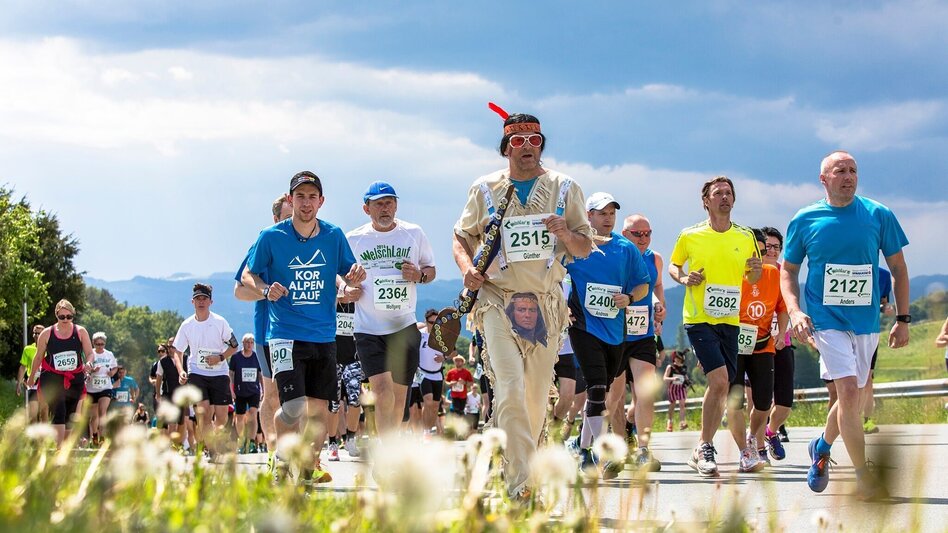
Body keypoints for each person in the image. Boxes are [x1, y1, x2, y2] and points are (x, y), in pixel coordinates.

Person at [453, 107, 593, 498]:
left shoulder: (566, 188)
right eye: (518, 141)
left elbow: (583, 248)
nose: (527, 147)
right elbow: (461, 237)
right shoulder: (483, 188)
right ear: (505, 148)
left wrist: (566, 232)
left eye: (534, 140)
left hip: (546, 303)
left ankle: (514, 467)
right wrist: (467, 268)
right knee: (510, 388)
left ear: (542, 144)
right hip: (497, 300)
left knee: (533, 398)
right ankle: (521, 486)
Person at [782, 150, 910, 501]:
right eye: (840, 170)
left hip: (866, 321)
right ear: (824, 179)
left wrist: (902, 318)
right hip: (826, 320)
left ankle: (821, 446)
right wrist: (795, 311)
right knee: (849, 393)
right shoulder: (806, 219)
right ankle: (864, 476)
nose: (849, 176)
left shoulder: (878, 214)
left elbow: (898, 269)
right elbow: (788, 272)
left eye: (853, 170)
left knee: (853, 397)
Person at [243, 171, 364, 484]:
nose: (306, 203)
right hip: (284, 334)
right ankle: (282, 462)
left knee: (321, 411)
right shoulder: (271, 237)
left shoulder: (334, 235)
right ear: (289, 199)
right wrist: (265, 287)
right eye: (300, 196)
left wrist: (354, 278)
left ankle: (308, 467)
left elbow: (347, 273)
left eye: (312, 197)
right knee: (294, 406)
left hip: (323, 335)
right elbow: (248, 276)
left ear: (321, 201)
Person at [669, 176, 762, 477]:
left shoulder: (746, 236)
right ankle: (707, 446)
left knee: (720, 385)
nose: (724, 197)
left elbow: (753, 277)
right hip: (698, 319)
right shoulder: (690, 235)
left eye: (729, 193)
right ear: (706, 201)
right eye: (718, 193)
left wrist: (757, 272)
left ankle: (701, 447)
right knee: (721, 382)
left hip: (730, 320)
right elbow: (674, 265)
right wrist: (683, 279)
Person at [566, 192, 650, 478]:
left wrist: (629, 297)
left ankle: (580, 444)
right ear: (588, 215)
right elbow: (552, 276)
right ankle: (592, 454)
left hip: (616, 333)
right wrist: (562, 306)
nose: (608, 218)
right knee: (597, 388)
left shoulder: (626, 248)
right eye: (602, 213)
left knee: (606, 391)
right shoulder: (576, 247)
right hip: (583, 327)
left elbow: (643, 285)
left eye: (612, 213)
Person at [344, 180, 436, 442]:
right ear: (366, 209)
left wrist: (419, 274)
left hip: (403, 327)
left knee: (398, 400)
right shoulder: (353, 239)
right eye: (379, 204)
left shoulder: (414, 233)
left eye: (389, 203)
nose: (385, 208)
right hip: (368, 329)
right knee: (382, 392)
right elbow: (340, 279)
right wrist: (348, 288)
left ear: (396, 205)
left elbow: (431, 271)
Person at [233, 194, 294, 454]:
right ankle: (273, 451)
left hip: (307, 331)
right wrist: (268, 291)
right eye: (288, 216)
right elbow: (239, 290)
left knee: (304, 398)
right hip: (269, 332)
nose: (295, 221)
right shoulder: (264, 242)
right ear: (276, 218)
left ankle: (301, 454)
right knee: (273, 394)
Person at [728, 228, 788, 472]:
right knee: (735, 401)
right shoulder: (732, 274)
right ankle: (745, 450)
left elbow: (782, 308)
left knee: (763, 401)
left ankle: (754, 437)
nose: (761, 258)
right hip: (733, 345)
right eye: (755, 253)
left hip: (763, 345)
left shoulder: (773, 273)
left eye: (764, 252)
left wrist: (781, 332)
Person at [619, 212, 667, 471]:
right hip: (614, 334)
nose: (644, 238)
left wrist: (660, 305)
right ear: (624, 234)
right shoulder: (615, 254)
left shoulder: (655, 258)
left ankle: (644, 449)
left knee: (644, 393)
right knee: (615, 395)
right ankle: (616, 440)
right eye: (638, 234)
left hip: (643, 334)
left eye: (648, 233)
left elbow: (657, 286)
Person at [172, 283, 239, 452]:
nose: (201, 302)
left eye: (204, 298)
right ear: (192, 302)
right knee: (203, 413)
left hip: (220, 373)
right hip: (197, 373)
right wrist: (181, 371)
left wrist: (220, 357)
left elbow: (234, 346)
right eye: (197, 299)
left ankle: (215, 440)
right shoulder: (186, 325)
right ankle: (213, 449)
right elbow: (177, 352)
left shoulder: (220, 322)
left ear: (211, 302)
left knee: (222, 418)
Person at [27, 299, 95, 447]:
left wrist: (89, 363)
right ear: (56, 315)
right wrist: (32, 377)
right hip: (52, 377)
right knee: (59, 410)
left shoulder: (81, 332)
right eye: (61, 317)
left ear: (73, 315)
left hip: (74, 377)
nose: (65, 320)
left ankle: (65, 447)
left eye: (68, 317)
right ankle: (59, 449)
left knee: (70, 414)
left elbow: (90, 353)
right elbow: (38, 356)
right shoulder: (47, 333)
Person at [759, 226, 794, 456]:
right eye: (767, 246)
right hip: (756, 344)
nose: (772, 251)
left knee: (785, 403)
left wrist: (783, 334)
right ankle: (757, 445)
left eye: (776, 247)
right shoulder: (750, 272)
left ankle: (770, 432)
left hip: (783, 341)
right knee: (756, 400)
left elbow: (791, 307)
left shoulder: (785, 275)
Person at [331, 296, 365, 457]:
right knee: (334, 405)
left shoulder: (357, 306)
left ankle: (350, 439)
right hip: (333, 360)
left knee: (355, 401)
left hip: (353, 360)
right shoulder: (332, 304)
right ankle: (332, 444)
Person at [861, 267, 893, 434]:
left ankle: (867, 421)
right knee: (847, 380)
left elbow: (883, 301)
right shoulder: (844, 264)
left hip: (870, 332)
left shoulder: (884, 275)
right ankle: (847, 419)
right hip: (842, 330)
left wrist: (886, 308)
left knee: (867, 379)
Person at [230, 333, 263, 453]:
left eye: (251, 342)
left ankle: (252, 442)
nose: (249, 345)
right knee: (240, 416)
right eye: (247, 342)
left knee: (253, 414)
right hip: (239, 391)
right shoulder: (236, 358)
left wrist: (263, 389)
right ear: (243, 343)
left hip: (254, 390)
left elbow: (260, 375)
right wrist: (231, 390)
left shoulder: (257, 357)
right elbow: (231, 375)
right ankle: (242, 440)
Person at [85, 332, 118, 445]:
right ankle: (94, 436)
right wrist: (93, 370)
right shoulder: (90, 354)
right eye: (97, 344)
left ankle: (102, 437)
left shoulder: (109, 354)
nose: (100, 346)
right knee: (94, 416)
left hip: (105, 387)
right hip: (91, 388)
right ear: (93, 343)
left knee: (102, 412)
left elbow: (115, 367)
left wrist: (111, 373)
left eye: (102, 344)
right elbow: (85, 369)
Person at [418, 309, 446, 434]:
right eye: (431, 322)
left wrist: (443, 357)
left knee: (435, 406)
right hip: (423, 373)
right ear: (426, 321)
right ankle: (425, 431)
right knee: (427, 401)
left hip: (437, 374)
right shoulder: (420, 335)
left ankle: (429, 429)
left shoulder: (442, 335)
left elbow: (453, 352)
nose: (434, 325)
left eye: (436, 322)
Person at [154, 342, 184, 442]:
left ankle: (178, 443)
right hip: (168, 393)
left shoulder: (185, 359)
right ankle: (172, 445)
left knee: (181, 422)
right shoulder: (163, 362)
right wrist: (158, 394)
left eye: (174, 346)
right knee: (171, 421)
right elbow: (159, 378)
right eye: (170, 346)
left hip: (181, 394)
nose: (172, 349)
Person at [17, 324, 47, 423]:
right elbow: (22, 367)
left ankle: (43, 437)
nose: (37, 335)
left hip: (46, 385)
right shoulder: (28, 349)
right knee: (33, 415)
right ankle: (34, 438)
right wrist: (19, 383)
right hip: (33, 385)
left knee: (44, 415)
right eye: (35, 333)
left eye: (39, 333)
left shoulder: (50, 349)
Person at [663, 351, 690, 431]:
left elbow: (685, 377)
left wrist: (688, 383)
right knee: (672, 405)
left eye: (679, 358)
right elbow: (664, 378)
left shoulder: (683, 367)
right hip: (672, 387)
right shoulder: (670, 367)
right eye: (676, 358)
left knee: (682, 404)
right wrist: (672, 379)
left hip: (681, 388)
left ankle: (682, 423)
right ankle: (670, 422)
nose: (677, 360)